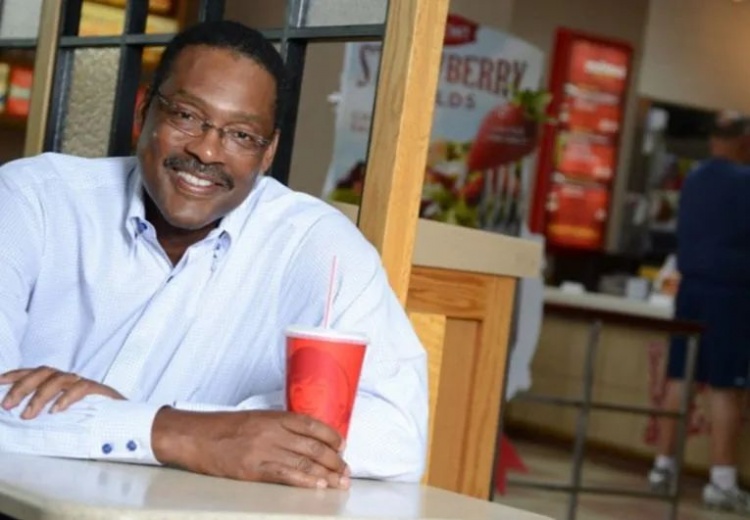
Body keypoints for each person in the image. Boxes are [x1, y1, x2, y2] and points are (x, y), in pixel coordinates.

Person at [0, 20, 428, 490]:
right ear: (144, 112)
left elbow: (397, 434)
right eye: (186, 116)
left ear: (269, 152)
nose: (206, 151)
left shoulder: (319, 247)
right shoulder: (33, 201)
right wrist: (183, 433)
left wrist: (180, 426)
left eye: (241, 135)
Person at [648, 112, 750, 512]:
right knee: (726, 386)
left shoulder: (693, 179)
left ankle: (662, 468)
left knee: (680, 378)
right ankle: (722, 482)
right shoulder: (745, 182)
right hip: (731, 294)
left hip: (689, 290)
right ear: (743, 140)